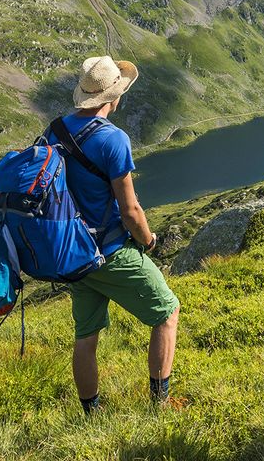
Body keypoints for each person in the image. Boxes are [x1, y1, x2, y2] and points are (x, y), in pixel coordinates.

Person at [46, 55, 181, 413]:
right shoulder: (113, 139)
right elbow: (131, 210)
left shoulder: (56, 129)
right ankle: (160, 404)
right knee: (167, 312)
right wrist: (148, 240)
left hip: (73, 253)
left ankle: (92, 413)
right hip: (108, 252)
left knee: (86, 336)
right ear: (114, 96)